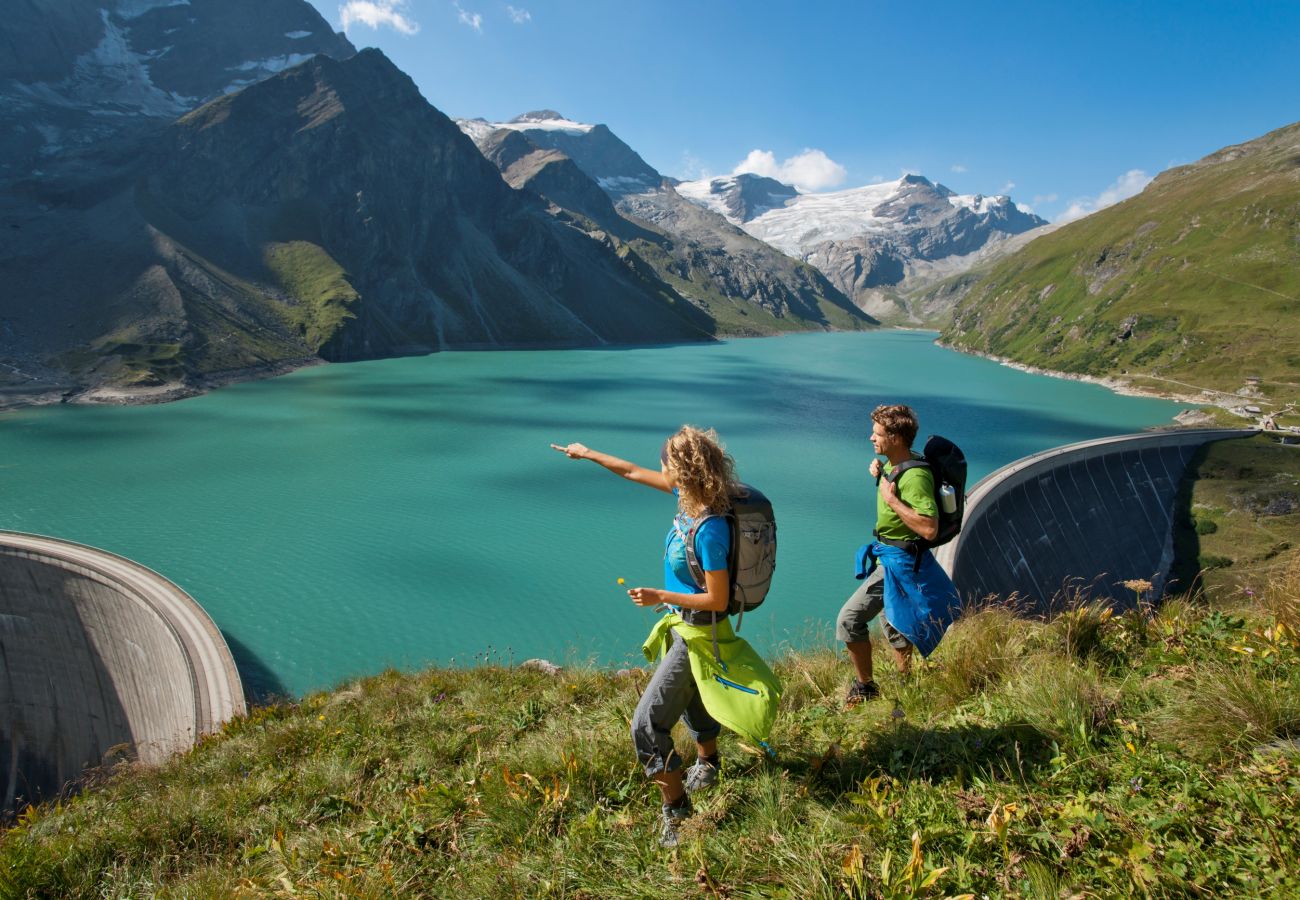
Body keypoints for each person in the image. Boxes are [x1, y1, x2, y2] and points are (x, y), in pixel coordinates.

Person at [551, 426, 743, 848]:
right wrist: (587, 452)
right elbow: (634, 472)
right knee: (691, 697)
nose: (659, 467)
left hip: (700, 631)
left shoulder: (709, 526)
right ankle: (708, 765)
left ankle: (677, 813)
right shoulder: (688, 500)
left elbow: (718, 597)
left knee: (647, 723)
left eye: (666, 462)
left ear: (681, 469)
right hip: (687, 627)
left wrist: (661, 595)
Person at [836, 404, 961, 706]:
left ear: (896, 437)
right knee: (895, 623)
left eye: (877, 433)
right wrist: (880, 476)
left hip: (900, 562)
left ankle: (866, 687)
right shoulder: (896, 466)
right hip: (890, 558)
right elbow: (895, 492)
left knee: (848, 620)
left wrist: (892, 500)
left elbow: (929, 528)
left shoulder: (915, 477)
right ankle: (907, 685)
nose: (871, 438)